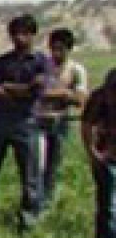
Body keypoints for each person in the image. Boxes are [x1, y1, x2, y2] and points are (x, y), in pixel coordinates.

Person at [0, 14, 52, 229]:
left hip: (26, 122)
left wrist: (7, 87)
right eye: (16, 33)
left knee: (30, 176)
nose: (20, 38)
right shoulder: (1, 62)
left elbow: (37, 90)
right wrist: (20, 89)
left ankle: (28, 221)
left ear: (33, 35)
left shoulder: (40, 63)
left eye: (25, 33)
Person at [35, 28, 88, 207]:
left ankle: (47, 202)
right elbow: (37, 92)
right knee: (38, 163)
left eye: (61, 49)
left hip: (60, 121)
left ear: (68, 49)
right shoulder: (42, 66)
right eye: (54, 49)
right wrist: (64, 94)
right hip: (39, 120)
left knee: (53, 164)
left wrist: (62, 94)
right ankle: (36, 201)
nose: (57, 53)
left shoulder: (75, 70)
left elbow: (80, 99)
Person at [81, 68, 116, 238]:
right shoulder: (103, 94)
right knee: (109, 207)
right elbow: (87, 123)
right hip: (108, 156)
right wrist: (92, 151)